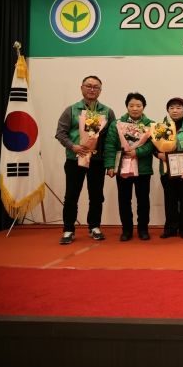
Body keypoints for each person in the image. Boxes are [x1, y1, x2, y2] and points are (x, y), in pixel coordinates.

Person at [55, 75, 116, 245]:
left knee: (96, 196)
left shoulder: (107, 112)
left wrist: (110, 162)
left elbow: (111, 138)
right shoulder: (71, 110)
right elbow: (60, 133)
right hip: (75, 159)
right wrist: (73, 146)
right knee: (71, 195)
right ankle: (68, 229)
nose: (92, 89)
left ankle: (94, 227)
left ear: (100, 91)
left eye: (96, 87)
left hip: (97, 160)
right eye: (88, 86)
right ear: (81, 88)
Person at [104, 92, 155, 241]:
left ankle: (143, 229)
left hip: (143, 168)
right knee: (124, 200)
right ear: (126, 106)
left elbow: (152, 145)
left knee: (143, 200)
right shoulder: (117, 124)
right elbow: (110, 145)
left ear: (144, 107)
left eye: (138, 105)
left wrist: (137, 152)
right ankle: (126, 230)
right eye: (131, 105)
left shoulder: (151, 125)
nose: (135, 108)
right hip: (123, 167)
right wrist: (110, 165)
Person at [156, 97, 183, 239]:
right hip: (167, 169)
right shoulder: (161, 127)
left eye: (178, 107)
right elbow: (153, 146)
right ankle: (171, 228)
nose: (175, 110)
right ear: (168, 110)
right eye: (171, 108)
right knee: (170, 200)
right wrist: (158, 154)